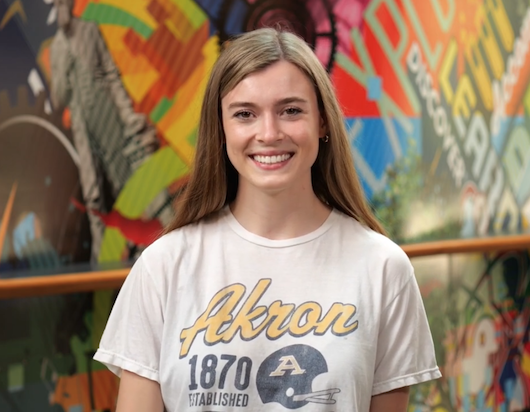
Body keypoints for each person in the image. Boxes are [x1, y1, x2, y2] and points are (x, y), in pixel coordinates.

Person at [94, 28, 441, 411]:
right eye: (245, 114)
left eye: (291, 110)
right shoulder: (163, 267)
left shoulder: (382, 268)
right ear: (221, 128)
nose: (269, 133)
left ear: (322, 122)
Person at [50, 0, 172, 261]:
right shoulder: (57, 48)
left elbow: (110, 73)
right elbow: (59, 98)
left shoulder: (89, 29)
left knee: (125, 183)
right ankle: (99, 264)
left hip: (107, 115)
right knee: (93, 193)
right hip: (84, 129)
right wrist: (64, 68)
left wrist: (127, 114)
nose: (63, 7)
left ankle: (150, 245)